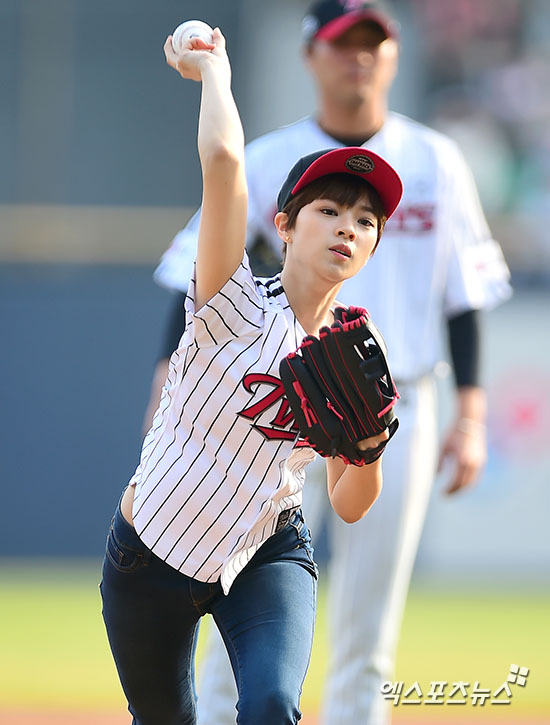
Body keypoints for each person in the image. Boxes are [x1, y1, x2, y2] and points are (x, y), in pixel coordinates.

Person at [146, 2, 512, 723]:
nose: (361, 57)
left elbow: (464, 295)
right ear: (310, 54)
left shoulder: (435, 161)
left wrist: (470, 416)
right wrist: (167, 383)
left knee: (369, 626)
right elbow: (198, 274)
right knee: (234, 593)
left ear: (396, 56)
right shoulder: (270, 157)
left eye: (375, 43)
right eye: (345, 43)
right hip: (272, 404)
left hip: (392, 405)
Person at [101, 23, 405, 725]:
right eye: (329, 209)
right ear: (286, 225)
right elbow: (222, 161)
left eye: (366, 220)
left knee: (270, 703)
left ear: (373, 245)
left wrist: (367, 449)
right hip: (152, 552)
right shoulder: (229, 298)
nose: (348, 226)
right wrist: (214, 72)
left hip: (266, 553)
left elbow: (351, 503)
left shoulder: (357, 351)